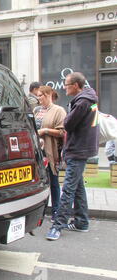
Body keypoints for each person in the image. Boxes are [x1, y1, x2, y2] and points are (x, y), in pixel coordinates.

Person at [46, 72, 99, 241]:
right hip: (81, 148)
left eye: (67, 85)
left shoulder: (82, 102)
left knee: (68, 188)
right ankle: (82, 222)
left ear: (76, 85)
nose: (64, 87)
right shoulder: (88, 99)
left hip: (78, 149)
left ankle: (58, 226)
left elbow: (68, 124)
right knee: (77, 187)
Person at [36, 86, 67, 222]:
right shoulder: (37, 110)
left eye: (40, 96)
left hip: (50, 151)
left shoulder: (58, 111)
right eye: (37, 96)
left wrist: (45, 130)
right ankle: (40, 210)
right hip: (37, 152)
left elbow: (62, 131)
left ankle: (56, 211)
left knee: (53, 182)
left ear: (48, 95)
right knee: (39, 183)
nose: (38, 99)